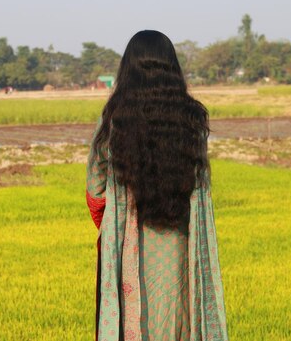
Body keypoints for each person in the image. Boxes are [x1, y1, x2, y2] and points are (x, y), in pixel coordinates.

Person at [86, 30, 229, 341]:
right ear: (172, 68)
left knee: (135, 319)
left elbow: (95, 191)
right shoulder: (192, 119)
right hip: (181, 241)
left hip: (132, 244)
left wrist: (111, 225)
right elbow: (198, 183)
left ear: (128, 69)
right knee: (181, 315)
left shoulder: (114, 120)